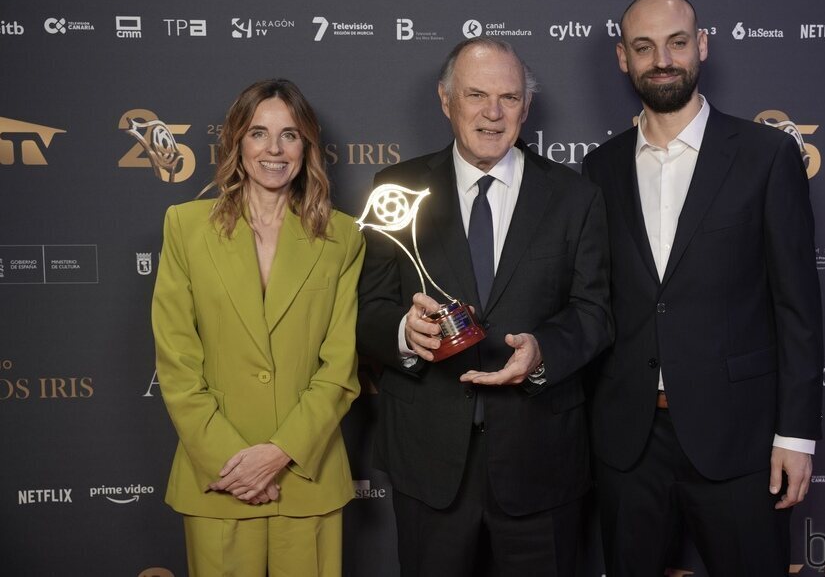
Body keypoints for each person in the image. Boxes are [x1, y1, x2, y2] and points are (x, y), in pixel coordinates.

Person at [581, 0, 824, 576]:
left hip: (740, 440)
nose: (662, 59)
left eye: (677, 42)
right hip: (628, 444)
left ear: (702, 47)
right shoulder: (599, 168)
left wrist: (796, 436)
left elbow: (797, 307)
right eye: (644, 47)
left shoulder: (767, 155)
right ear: (623, 58)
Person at [357, 38, 612, 577]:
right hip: (428, 462)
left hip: (540, 460)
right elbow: (368, 308)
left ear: (526, 107)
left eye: (509, 97)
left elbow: (594, 312)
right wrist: (405, 333)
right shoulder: (395, 189)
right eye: (476, 95)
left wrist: (544, 351)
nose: (492, 113)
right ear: (446, 100)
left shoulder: (575, 196)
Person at [151, 79, 364, 577]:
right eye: (258, 133)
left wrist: (279, 453)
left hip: (307, 476)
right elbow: (177, 363)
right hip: (219, 478)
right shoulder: (185, 227)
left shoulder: (343, 236)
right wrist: (233, 463)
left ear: (306, 146)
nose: (273, 149)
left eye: (289, 135)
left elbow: (340, 366)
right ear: (235, 143)